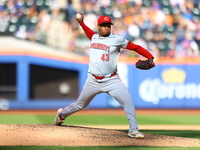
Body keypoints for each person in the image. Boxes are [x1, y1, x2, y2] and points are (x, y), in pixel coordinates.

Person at [54, 13, 155, 138]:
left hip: (111, 80)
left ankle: (133, 130)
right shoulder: (94, 37)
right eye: (103, 25)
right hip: (93, 80)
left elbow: (136, 47)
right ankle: (61, 115)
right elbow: (89, 33)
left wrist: (150, 57)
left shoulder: (117, 39)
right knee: (80, 104)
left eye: (108, 25)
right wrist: (81, 23)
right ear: (98, 27)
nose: (107, 28)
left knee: (127, 100)